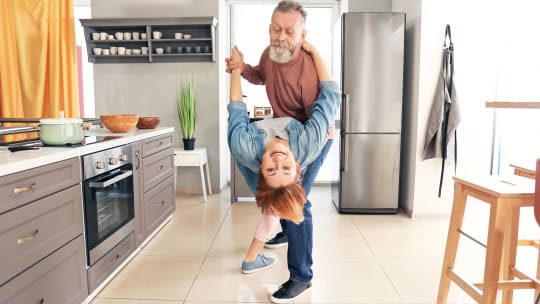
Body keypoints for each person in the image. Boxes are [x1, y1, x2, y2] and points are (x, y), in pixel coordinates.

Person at [226, 1, 335, 302]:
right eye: (276, 29)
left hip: (308, 139)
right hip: (281, 133)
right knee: (279, 195)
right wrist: (242, 68)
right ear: (269, 29)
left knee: (299, 203)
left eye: (289, 31)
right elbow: (261, 75)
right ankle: (287, 231)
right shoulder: (269, 53)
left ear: (303, 35)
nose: (281, 36)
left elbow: (322, 111)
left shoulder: (308, 69)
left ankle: (302, 276)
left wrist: (288, 160)